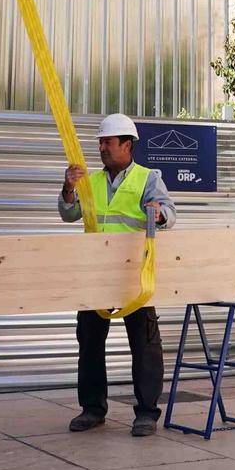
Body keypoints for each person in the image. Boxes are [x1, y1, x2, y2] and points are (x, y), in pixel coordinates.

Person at [58, 113, 175, 436]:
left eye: (107, 142)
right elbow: (69, 214)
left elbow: (170, 213)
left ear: (127, 145)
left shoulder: (147, 178)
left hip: (132, 275)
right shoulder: (90, 181)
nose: (102, 148)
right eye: (100, 142)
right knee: (90, 343)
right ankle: (92, 409)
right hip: (96, 274)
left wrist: (159, 214)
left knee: (144, 344)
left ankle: (147, 413)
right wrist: (68, 189)